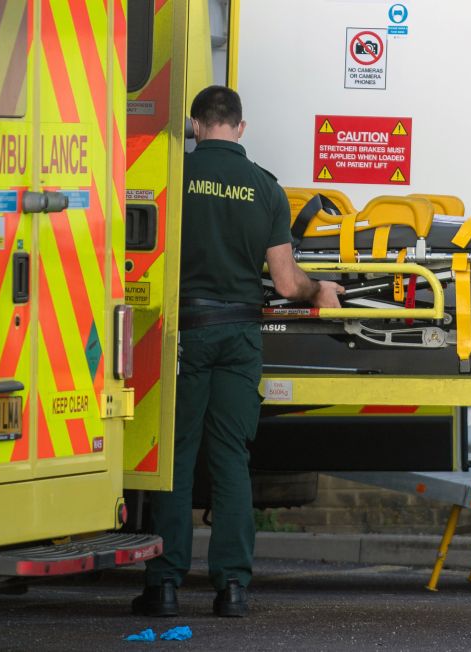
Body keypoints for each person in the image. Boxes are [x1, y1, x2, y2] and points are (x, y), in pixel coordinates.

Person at [132, 85, 343, 618]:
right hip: (239, 335)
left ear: (197, 125)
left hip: (182, 334)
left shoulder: (170, 175)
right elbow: (286, 281)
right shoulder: (266, 188)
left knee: (174, 460)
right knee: (230, 460)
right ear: (240, 128)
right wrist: (320, 290)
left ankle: (164, 586)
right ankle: (232, 589)